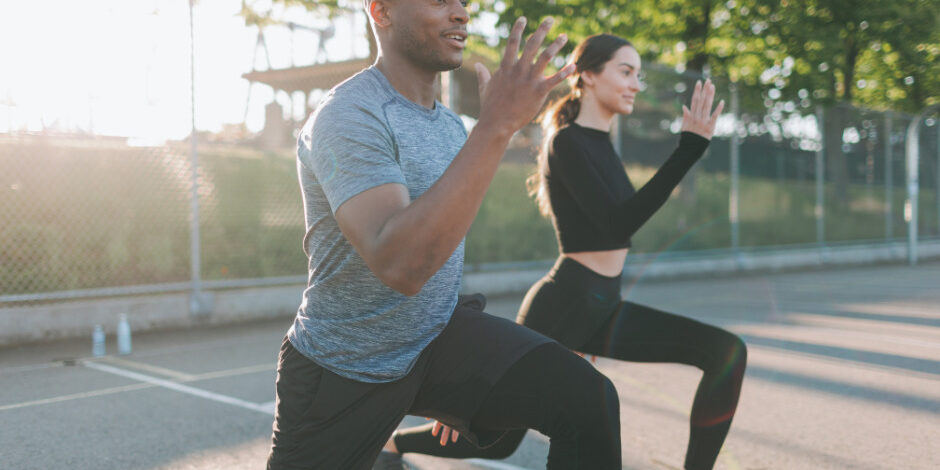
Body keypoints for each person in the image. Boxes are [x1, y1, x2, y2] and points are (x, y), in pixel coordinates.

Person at [266, 1, 624, 469]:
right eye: (440, 0)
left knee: (587, 399)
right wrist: (496, 126)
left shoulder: (452, 127)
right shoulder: (348, 115)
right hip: (346, 364)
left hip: (434, 341)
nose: (461, 13)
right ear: (382, 11)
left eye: (464, 2)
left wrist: (479, 373)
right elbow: (401, 266)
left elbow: (441, 245)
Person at [384, 33, 747, 470]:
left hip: (603, 305)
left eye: (639, 75)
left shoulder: (602, 143)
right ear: (588, 75)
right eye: (626, 72)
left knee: (725, 353)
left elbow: (620, 222)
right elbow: (617, 225)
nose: (635, 84)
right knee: (496, 441)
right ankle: (392, 446)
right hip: (565, 304)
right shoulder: (567, 142)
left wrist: (688, 150)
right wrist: (687, 151)